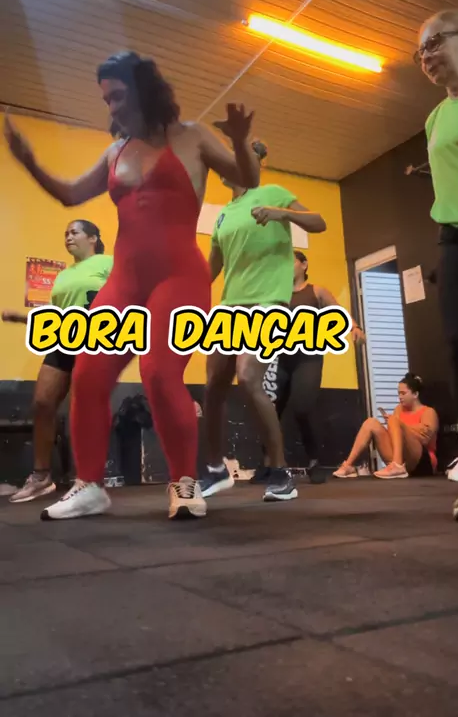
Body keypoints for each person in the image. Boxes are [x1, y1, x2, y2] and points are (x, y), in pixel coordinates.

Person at [3, 51, 259, 521]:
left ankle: (184, 483)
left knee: (159, 374)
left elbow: (248, 177)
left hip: (179, 277)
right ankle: (90, 486)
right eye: (107, 99)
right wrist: (29, 162)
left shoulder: (192, 136)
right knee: (87, 374)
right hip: (125, 280)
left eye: (118, 95)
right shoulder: (115, 151)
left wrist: (241, 141)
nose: (112, 106)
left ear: (144, 90)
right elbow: (69, 195)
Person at [199, 143, 327, 503]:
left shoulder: (273, 193)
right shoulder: (223, 216)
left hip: (268, 302)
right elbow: (212, 266)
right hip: (230, 307)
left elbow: (319, 222)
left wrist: (280, 213)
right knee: (213, 386)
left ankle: (281, 472)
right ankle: (215, 469)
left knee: (248, 377)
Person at [415, 9, 458, 519]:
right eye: (420, 51)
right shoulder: (435, 118)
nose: (426, 56)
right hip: (457, 240)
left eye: (434, 42)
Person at [2, 220, 112, 503]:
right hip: (63, 339)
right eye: (65, 233)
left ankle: (88, 480)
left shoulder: (108, 263)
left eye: (75, 232)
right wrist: (22, 318)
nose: (68, 237)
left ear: (93, 238)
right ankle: (41, 477)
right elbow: (55, 315)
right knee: (42, 402)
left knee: (84, 409)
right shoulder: (64, 275)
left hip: (94, 339)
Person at [258, 250, 365, 484]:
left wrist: (354, 328)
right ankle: (268, 464)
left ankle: (315, 462)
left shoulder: (316, 292)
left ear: (304, 265)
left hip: (308, 358)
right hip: (281, 359)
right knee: (271, 411)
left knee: (302, 408)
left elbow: (339, 313)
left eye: (291, 261)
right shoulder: (278, 294)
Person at [333, 373, 439, 479]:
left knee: (394, 420)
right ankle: (348, 466)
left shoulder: (428, 412)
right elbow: (396, 437)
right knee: (371, 422)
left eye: (403, 393)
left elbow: (425, 438)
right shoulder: (399, 409)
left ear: (415, 394)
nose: (400, 397)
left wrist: (400, 426)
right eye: (398, 394)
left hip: (421, 462)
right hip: (403, 460)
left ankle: (397, 466)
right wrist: (397, 426)